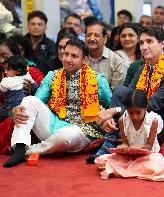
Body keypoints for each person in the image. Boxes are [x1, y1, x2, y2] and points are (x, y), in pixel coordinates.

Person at [3, 38, 112, 167]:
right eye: (66, 54)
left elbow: (110, 104)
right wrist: (14, 110)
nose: (68, 59)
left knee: (65, 136)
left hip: (83, 131)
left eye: (74, 56)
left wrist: (107, 117)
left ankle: (30, 150)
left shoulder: (98, 80)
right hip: (54, 124)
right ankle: (20, 147)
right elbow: (38, 101)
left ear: (84, 60)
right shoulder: (52, 76)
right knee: (29, 100)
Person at [86, 25, 164, 163]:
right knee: (120, 90)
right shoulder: (142, 68)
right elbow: (128, 98)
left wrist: (114, 110)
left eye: (149, 41)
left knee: (148, 117)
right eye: (142, 43)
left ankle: (109, 142)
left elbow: (152, 106)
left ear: (162, 44)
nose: (144, 47)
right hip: (139, 118)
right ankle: (111, 139)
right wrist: (113, 112)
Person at [95, 89, 164, 181]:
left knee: (156, 162)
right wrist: (123, 147)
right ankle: (133, 169)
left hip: (148, 157)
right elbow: (125, 143)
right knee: (103, 159)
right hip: (130, 157)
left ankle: (128, 169)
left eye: (138, 113)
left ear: (146, 108)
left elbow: (149, 146)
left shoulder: (153, 121)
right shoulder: (122, 120)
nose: (134, 117)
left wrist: (139, 147)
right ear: (126, 110)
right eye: (131, 113)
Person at [85, 21, 127, 90]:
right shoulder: (80, 57)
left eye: (96, 35)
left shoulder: (116, 61)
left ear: (104, 39)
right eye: (89, 35)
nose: (92, 39)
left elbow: (116, 93)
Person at [0, 55, 36, 122]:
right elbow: (35, 87)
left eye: (8, 70)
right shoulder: (28, 76)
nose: (5, 72)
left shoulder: (7, 81)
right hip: (26, 107)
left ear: (18, 71)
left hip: (10, 108)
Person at [25, 10, 56, 75]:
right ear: (28, 26)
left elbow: (51, 68)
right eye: (33, 24)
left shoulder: (51, 46)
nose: (36, 27)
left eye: (40, 24)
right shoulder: (21, 43)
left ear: (45, 27)